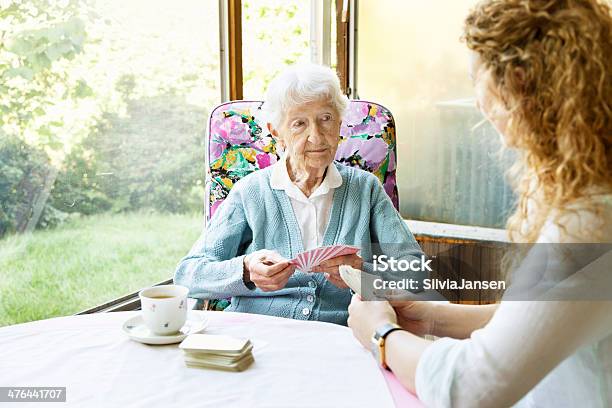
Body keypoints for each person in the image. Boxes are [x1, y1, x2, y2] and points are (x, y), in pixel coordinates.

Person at [347, 0, 612, 405]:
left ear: (520, 84)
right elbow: (541, 319)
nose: (479, 104)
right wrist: (430, 315)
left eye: (478, 79)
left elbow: (473, 386)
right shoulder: (593, 193)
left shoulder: (592, 220)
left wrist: (382, 335)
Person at [175, 63, 425, 326]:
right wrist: (246, 270)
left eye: (326, 118)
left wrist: (363, 275)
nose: (316, 137)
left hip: (340, 337)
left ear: (340, 122)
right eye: (299, 124)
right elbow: (189, 274)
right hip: (259, 335)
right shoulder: (251, 192)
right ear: (276, 132)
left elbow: (416, 276)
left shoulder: (366, 189)